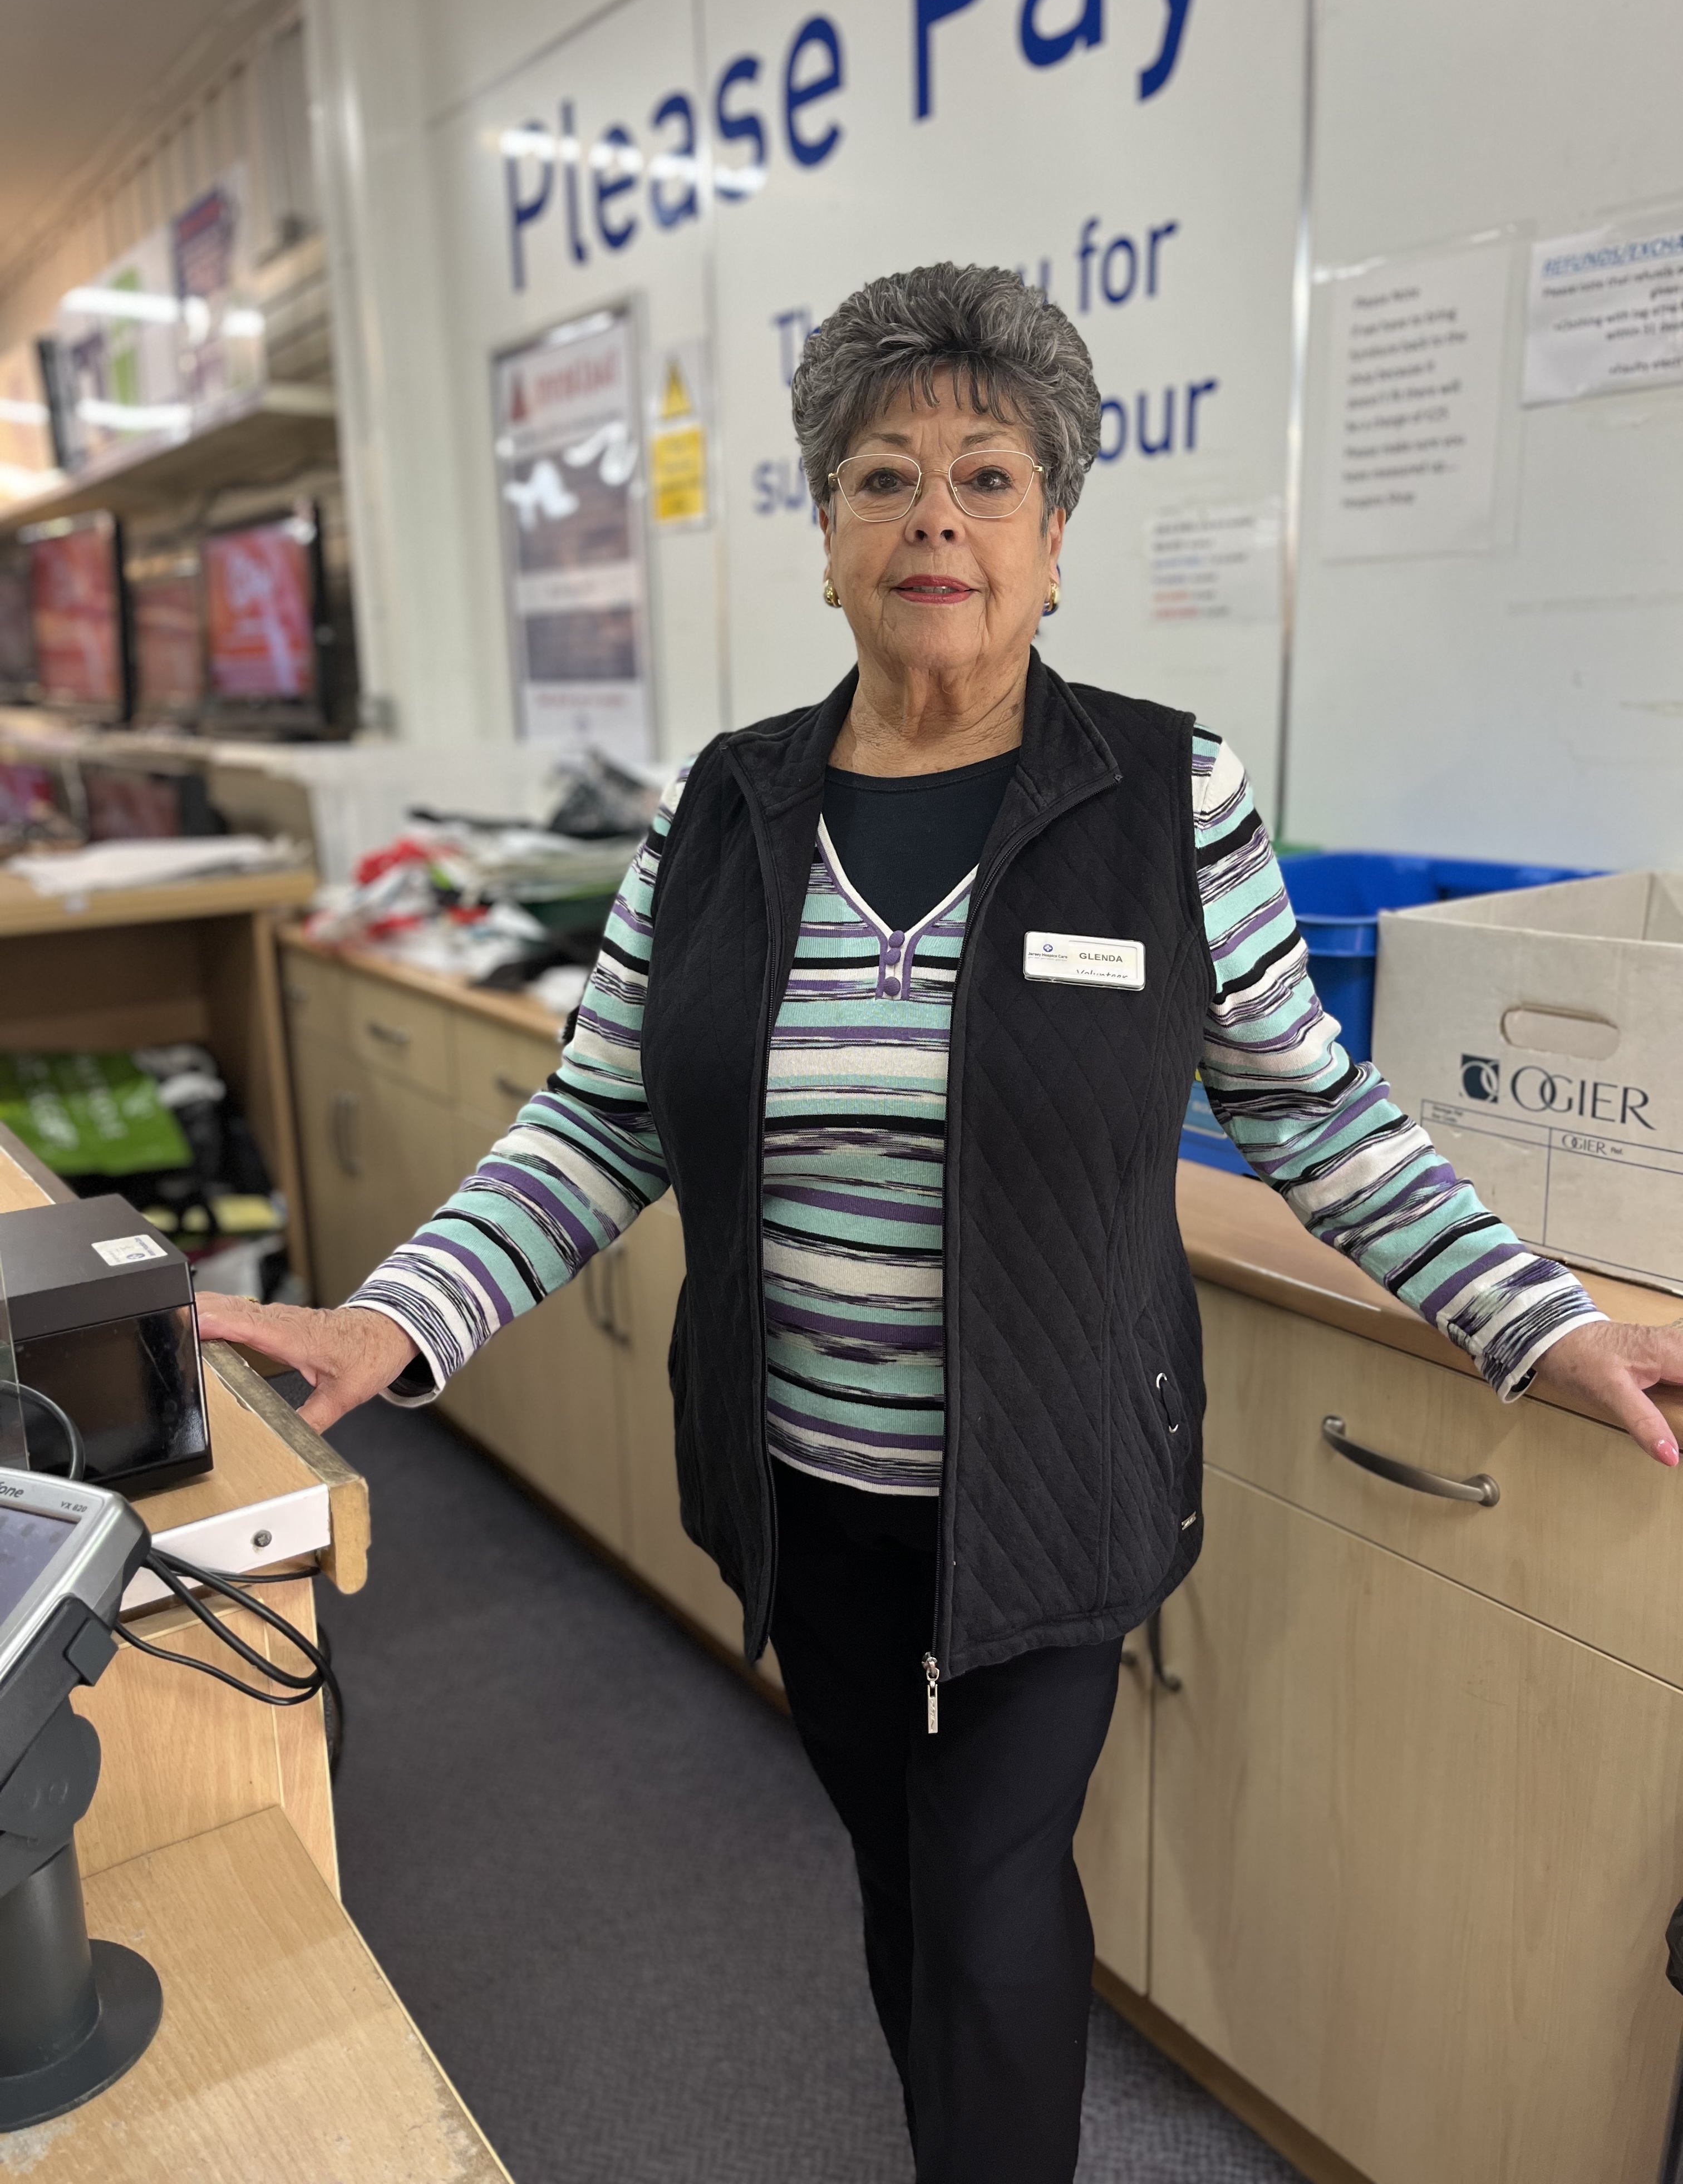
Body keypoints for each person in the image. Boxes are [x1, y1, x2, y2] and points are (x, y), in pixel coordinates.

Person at [201, 262, 1683, 2184]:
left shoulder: (1165, 797)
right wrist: (386, 1324)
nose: (937, 522)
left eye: (990, 479)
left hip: (1053, 1488)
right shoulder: (718, 818)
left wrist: (1542, 1320)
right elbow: (593, 1124)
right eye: (885, 478)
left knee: (986, 1887)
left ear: (1057, 538)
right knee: (904, 1865)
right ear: (823, 536)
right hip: (803, 1491)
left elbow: (1316, 1112)